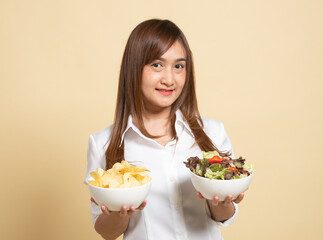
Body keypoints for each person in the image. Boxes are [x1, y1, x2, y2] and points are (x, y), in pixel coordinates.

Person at [84, 19, 245, 240]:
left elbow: (223, 217)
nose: (169, 79)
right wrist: (120, 214)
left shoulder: (213, 132)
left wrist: (222, 201)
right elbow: (106, 231)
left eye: (178, 66)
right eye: (157, 65)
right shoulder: (103, 143)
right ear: (134, 68)